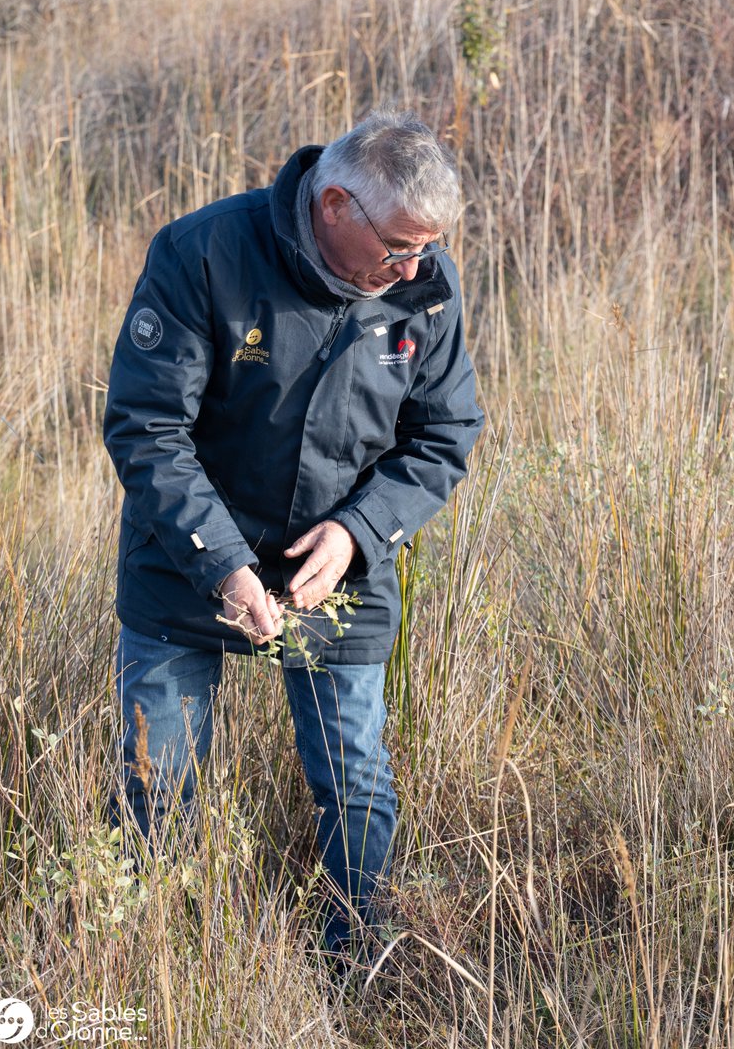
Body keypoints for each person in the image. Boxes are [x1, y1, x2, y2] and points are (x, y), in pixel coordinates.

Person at [103, 108, 484, 957]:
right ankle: (146, 957)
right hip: (186, 557)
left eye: (429, 245)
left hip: (341, 572)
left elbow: (445, 433)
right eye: (399, 246)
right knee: (155, 781)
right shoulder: (203, 254)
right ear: (336, 205)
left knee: (355, 781)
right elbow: (147, 429)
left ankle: (357, 961)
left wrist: (359, 531)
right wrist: (225, 566)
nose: (417, 265)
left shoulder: (424, 286)